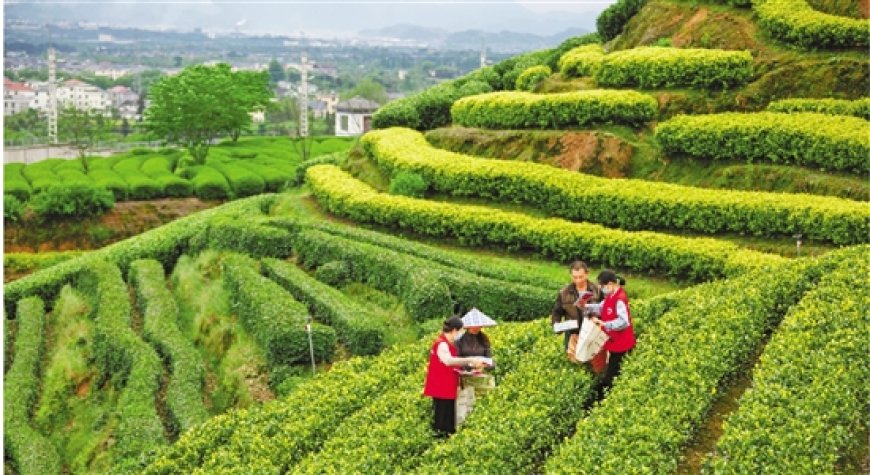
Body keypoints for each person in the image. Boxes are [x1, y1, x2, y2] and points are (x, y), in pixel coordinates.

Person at [423, 316, 487, 436]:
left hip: (448, 386)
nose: (461, 334)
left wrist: (472, 365)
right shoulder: (441, 344)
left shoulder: (450, 344)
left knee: (449, 418)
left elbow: (457, 362)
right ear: (454, 330)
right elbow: (448, 361)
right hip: (441, 387)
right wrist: (471, 359)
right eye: (460, 330)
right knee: (442, 420)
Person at [584, 269, 636, 399]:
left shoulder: (620, 299)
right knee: (610, 369)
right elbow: (602, 307)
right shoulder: (611, 296)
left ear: (611, 284)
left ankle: (605, 398)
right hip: (614, 341)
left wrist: (604, 324)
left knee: (612, 374)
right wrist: (586, 306)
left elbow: (624, 322)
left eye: (602, 286)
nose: (601, 289)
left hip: (621, 344)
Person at [551, 261, 602, 353]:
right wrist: (556, 325)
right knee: (573, 358)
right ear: (571, 275)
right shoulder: (564, 293)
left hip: (591, 332)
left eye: (581, 277)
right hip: (573, 333)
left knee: (592, 358)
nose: (578, 280)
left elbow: (605, 309)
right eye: (575, 277)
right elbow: (557, 312)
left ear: (587, 274)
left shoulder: (597, 290)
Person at [455, 324, 496, 425]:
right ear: (468, 326)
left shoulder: (484, 339)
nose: (476, 328)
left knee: (483, 408)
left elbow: (492, 362)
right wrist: (470, 366)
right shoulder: (459, 341)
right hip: (465, 378)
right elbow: (456, 361)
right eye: (474, 326)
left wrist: (483, 366)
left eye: (478, 326)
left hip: (481, 379)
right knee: (467, 405)